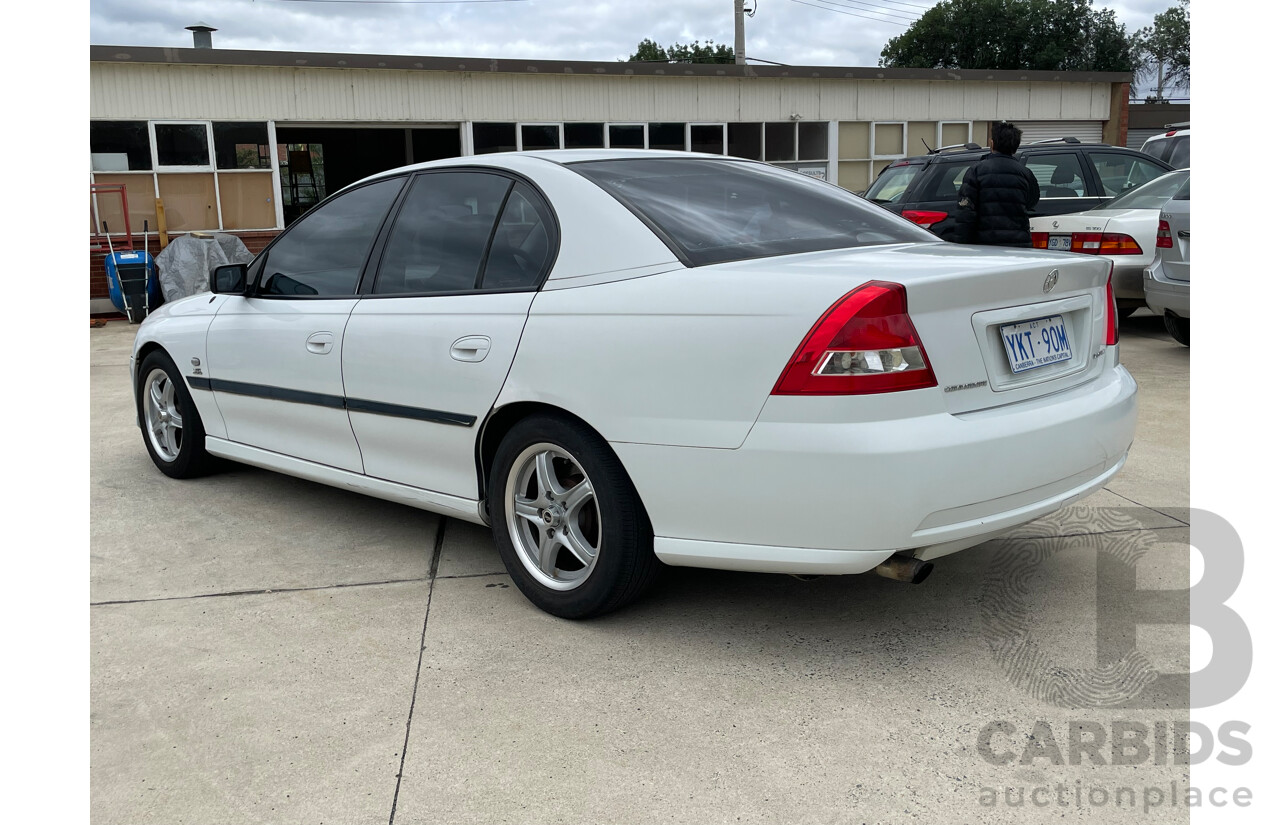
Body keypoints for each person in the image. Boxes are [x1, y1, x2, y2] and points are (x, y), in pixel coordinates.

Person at [955, 121, 1040, 247]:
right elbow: (1032, 201)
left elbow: (966, 211)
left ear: (992, 143)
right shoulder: (1025, 173)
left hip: (985, 244)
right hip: (1019, 243)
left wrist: (962, 243)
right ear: (1016, 146)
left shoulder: (976, 171)